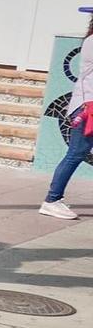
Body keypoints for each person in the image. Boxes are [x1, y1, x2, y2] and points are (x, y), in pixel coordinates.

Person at [41, 16, 93, 218]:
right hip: (86, 107)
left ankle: (53, 198)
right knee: (75, 154)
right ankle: (52, 200)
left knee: (76, 154)